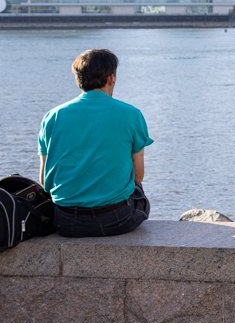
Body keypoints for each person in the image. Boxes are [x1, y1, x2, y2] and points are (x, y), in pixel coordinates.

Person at [38, 49, 152, 237]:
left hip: (66, 222)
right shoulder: (131, 114)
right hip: (116, 220)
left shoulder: (52, 116)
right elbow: (138, 176)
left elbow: (45, 181)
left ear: (78, 80)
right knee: (137, 190)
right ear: (111, 78)